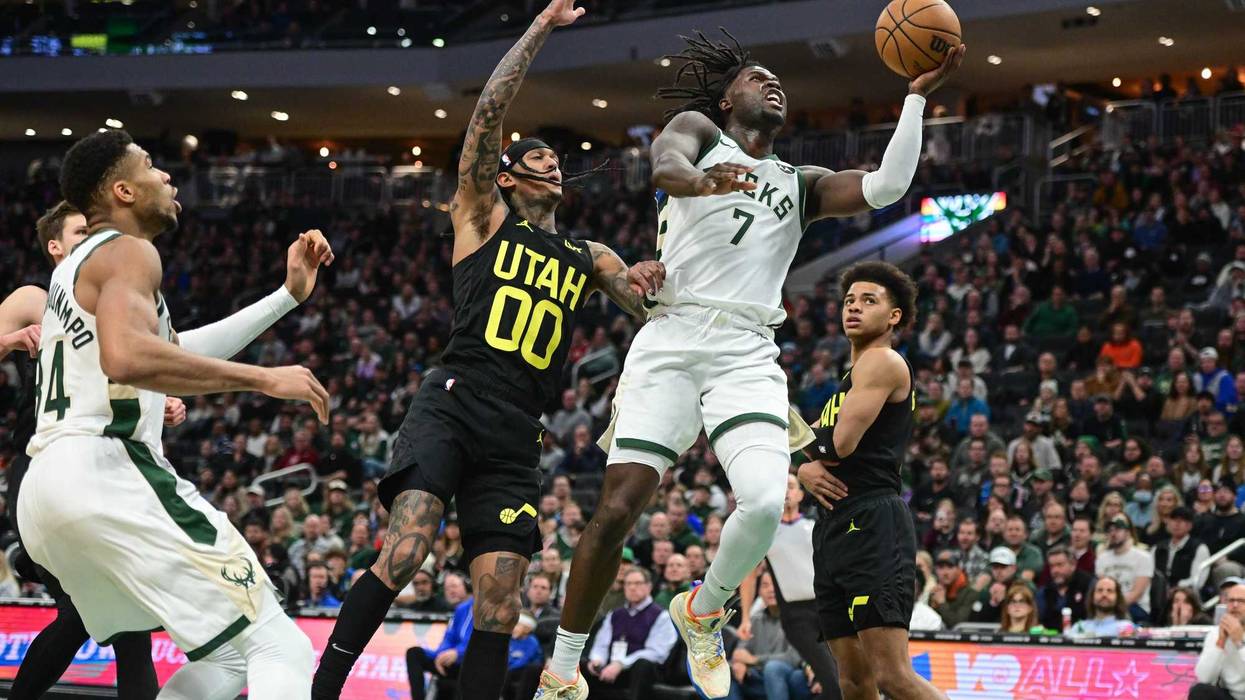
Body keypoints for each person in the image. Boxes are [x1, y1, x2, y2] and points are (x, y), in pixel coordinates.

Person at [540, 26, 964, 699]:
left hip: (746, 348)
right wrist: (705, 181)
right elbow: (665, 169)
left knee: (766, 502)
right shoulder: (698, 132)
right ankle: (562, 670)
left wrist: (912, 99)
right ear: (728, 98)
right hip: (672, 336)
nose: (774, 85)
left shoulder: (800, 184)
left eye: (778, 81)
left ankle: (703, 608)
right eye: (757, 77)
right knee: (619, 504)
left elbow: (886, 187)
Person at [310, 3, 666, 699]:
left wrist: (655, 275)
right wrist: (538, 30)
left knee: (501, 599)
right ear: (505, 177)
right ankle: (320, 687)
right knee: (406, 551)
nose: (552, 166)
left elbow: (650, 306)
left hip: (515, 431)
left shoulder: (588, 253)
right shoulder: (481, 216)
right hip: (454, 400)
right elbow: (485, 119)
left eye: (556, 161)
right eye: (537, 159)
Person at [19, 130, 332, 697]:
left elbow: (175, 349)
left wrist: (286, 297)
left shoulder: (75, 269)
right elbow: (128, 357)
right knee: (279, 645)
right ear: (122, 190)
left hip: (48, 492)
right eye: (150, 166)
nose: (165, 176)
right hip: (105, 471)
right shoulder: (127, 249)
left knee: (233, 658)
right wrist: (264, 379)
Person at [0, 202, 160, 699]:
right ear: (55, 245)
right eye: (80, 232)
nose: (94, 240)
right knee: (120, 618)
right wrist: (10, 338)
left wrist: (165, 400)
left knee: (102, 615)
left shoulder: (111, 304)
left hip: (98, 469)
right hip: (42, 469)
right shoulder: (37, 296)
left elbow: (140, 372)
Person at [800, 261, 957, 700]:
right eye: (849, 300)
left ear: (894, 317)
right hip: (833, 525)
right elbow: (811, 447)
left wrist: (804, 454)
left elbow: (839, 444)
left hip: (872, 521)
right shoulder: (845, 385)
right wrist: (803, 465)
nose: (854, 307)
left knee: (893, 676)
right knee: (853, 679)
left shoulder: (883, 362)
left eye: (869, 300)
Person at [738, 475, 841, 700]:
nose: (786, 491)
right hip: (796, 616)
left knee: (846, 679)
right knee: (833, 679)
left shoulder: (815, 525)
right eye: (780, 487)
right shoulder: (766, 533)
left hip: (829, 609)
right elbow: (748, 574)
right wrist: (745, 616)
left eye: (791, 486)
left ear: (801, 494)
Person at [583, 567, 678, 700]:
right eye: (628, 584)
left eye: (638, 583)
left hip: (637, 671)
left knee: (643, 665)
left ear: (649, 586)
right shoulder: (615, 614)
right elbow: (601, 644)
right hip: (610, 667)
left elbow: (657, 652)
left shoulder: (661, 616)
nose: (632, 588)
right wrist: (597, 660)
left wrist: (621, 664)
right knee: (584, 666)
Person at [729, 572, 810, 700]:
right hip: (758, 676)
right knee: (727, 673)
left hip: (788, 675)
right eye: (765, 585)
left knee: (773, 668)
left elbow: (794, 658)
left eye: (775, 584)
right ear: (759, 592)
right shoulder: (754, 619)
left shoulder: (797, 618)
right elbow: (740, 652)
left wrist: (754, 660)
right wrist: (738, 663)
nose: (771, 590)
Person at [407, 588, 475, 700]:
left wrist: (458, 653)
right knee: (414, 653)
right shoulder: (462, 608)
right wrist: (441, 655)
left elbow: (485, 645)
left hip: (471, 663)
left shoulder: (492, 610)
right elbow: (449, 637)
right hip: (453, 661)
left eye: (454, 586)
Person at [1095, 514, 1153, 623]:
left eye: (1118, 529)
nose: (1113, 533)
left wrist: (1115, 607)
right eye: (1110, 530)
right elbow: (1101, 588)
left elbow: (1137, 593)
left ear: (1128, 532)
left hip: (1136, 608)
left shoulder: (1143, 557)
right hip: (1108, 607)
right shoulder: (1102, 558)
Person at [1193, 579, 1245, 699]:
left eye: (1241, 601)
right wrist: (1220, 642)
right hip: (1231, 695)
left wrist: (1239, 643)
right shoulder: (1216, 633)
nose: (1235, 605)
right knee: (1199, 691)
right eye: (1231, 600)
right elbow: (1204, 678)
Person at [1036, 545, 1093, 631]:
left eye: (1060, 565)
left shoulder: (1089, 585)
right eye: (1052, 566)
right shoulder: (1045, 590)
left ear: (1073, 565)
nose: (1055, 570)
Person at [1154, 505, 1210, 591]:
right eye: (1174, 519)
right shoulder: (1158, 547)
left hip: (1186, 595)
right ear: (1168, 523)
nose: (1177, 524)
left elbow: (1197, 581)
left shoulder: (1199, 548)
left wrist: (1176, 587)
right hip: (1158, 592)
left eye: (1182, 520)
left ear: (1190, 525)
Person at [1065, 577, 1136, 638]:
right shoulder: (1079, 627)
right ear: (1092, 597)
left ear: (1117, 598)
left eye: (1110, 591)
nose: (1104, 594)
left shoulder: (1126, 627)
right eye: (1100, 590)